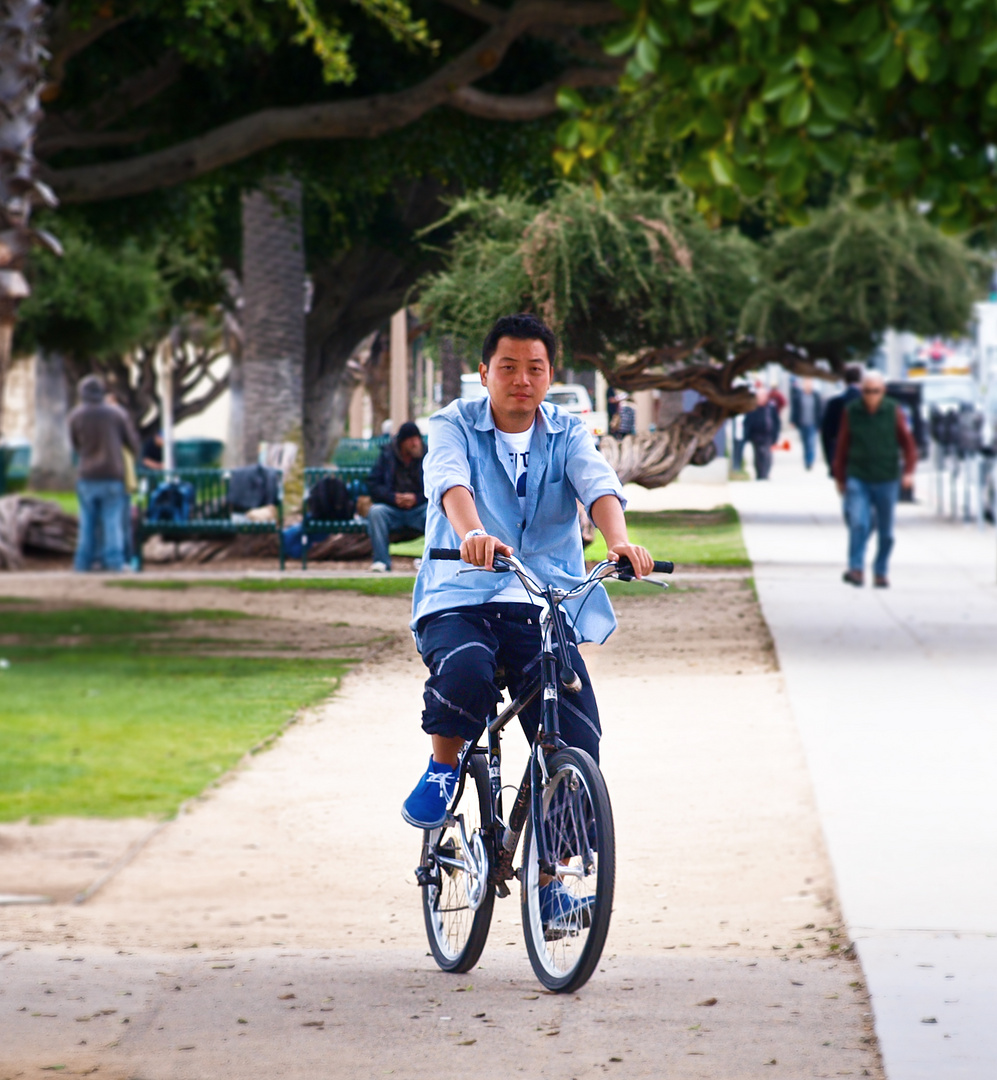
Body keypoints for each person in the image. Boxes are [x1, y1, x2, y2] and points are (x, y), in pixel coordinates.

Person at [401, 314, 652, 924]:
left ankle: (552, 882)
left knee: (575, 732)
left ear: (549, 374)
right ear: (484, 373)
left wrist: (618, 541)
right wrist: (474, 534)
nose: (521, 379)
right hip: (460, 593)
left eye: (534, 368)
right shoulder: (453, 424)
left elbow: (598, 485)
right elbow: (449, 482)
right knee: (467, 672)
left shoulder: (566, 430)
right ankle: (442, 767)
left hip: (540, 599)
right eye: (508, 367)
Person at [833, 370, 918, 588]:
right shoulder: (852, 411)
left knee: (886, 532)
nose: (872, 396)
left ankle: (880, 571)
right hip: (858, 476)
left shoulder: (892, 410)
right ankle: (856, 568)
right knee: (858, 523)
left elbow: (908, 444)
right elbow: (842, 445)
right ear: (862, 391)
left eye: (876, 391)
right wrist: (840, 477)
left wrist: (909, 471)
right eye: (867, 391)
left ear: (883, 391)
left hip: (886, 477)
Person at [68, 374, 141, 573]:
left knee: (87, 522)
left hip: (86, 475)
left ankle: (83, 563)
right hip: (112, 474)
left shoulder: (76, 415)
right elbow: (132, 442)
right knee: (112, 521)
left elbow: (75, 444)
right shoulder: (116, 414)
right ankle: (115, 563)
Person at [367, 420, 427, 572]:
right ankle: (381, 562)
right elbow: (373, 485)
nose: (416, 443)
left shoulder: (427, 456)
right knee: (376, 512)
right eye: (412, 440)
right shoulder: (387, 456)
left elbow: (436, 485)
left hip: (418, 510)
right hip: (393, 510)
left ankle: (429, 562)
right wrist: (393, 498)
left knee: (434, 512)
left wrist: (416, 498)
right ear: (403, 442)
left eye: (417, 439)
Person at [820, 365, 862, 475]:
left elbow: (826, 434)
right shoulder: (869, 403)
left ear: (844, 381)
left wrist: (830, 460)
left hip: (841, 454)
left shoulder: (834, 403)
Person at [742, 387, 781, 480]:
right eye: (760, 396)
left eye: (763, 395)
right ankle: (760, 473)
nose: (762, 397)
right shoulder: (752, 407)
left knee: (767, 455)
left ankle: (765, 473)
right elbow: (747, 422)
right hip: (756, 435)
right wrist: (747, 436)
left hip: (768, 434)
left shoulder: (771, 406)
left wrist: (776, 435)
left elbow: (776, 422)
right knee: (758, 455)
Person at [790, 378, 823, 471]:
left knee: (811, 443)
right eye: (806, 383)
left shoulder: (816, 395)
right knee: (805, 444)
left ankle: (810, 461)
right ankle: (806, 461)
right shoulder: (799, 395)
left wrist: (820, 424)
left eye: (809, 383)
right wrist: (792, 421)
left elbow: (819, 410)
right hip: (802, 423)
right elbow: (795, 409)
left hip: (813, 423)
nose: (808, 385)